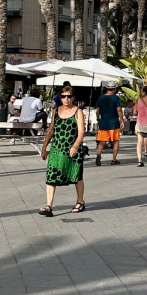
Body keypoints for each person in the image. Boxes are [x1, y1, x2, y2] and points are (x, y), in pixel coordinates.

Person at [39, 86, 86, 217]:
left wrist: (75, 146)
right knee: (51, 176)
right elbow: (51, 130)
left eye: (69, 96)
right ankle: (49, 206)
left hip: (72, 149)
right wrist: (44, 148)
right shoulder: (56, 111)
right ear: (60, 98)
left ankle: (80, 201)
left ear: (73, 98)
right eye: (64, 96)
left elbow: (81, 132)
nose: (66, 99)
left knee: (76, 176)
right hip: (57, 149)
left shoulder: (78, 111)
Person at [95, 83, 124, 166]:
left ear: (107, 89)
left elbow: (97, 110)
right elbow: (119, 110)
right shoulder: (116, 98)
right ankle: (114, 159)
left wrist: (98, 118)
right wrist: (121, 120)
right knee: (116, 141)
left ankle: (98, 154)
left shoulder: (101, 98)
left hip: (104, 122)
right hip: (114, 123)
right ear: (114, 89)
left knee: (102, 141)